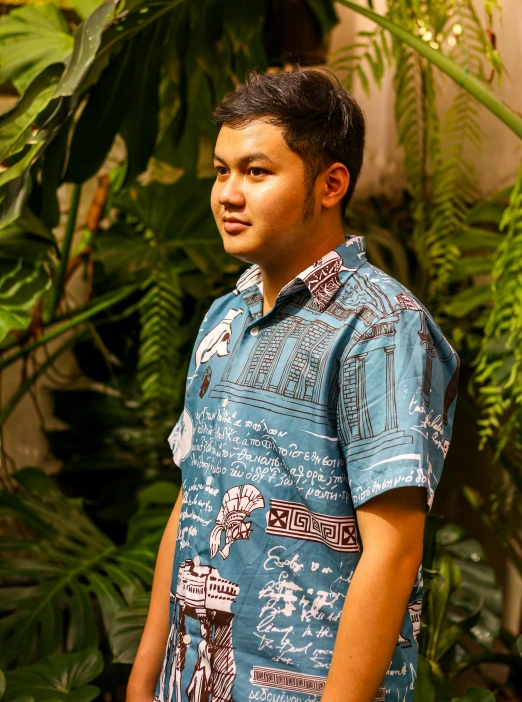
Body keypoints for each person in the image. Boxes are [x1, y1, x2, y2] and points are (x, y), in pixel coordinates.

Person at [126, 68, 459, 702]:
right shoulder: (225, 316)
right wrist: (146, 672)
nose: (228, 193)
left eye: (256, 172)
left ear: (332, 183)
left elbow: (393, 553)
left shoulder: (383, 329)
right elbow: (193, 496)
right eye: (222, 170)